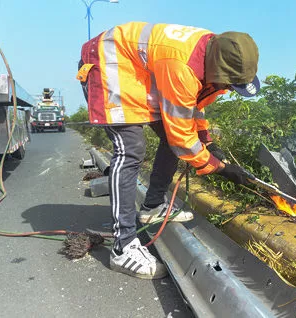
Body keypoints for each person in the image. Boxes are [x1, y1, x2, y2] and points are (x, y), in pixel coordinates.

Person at [76, 22, 259, 279]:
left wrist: (208, 141)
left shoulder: (212, 57)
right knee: (131, 149)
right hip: (109, 61)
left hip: (137, 69)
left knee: (169, 137)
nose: (228, 90)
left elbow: (193, 106)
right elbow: (182, 138)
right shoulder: (182, 67)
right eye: (228, 85)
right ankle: (123, 246)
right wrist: (222, 169)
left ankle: (152, 206)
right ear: (217, 69)